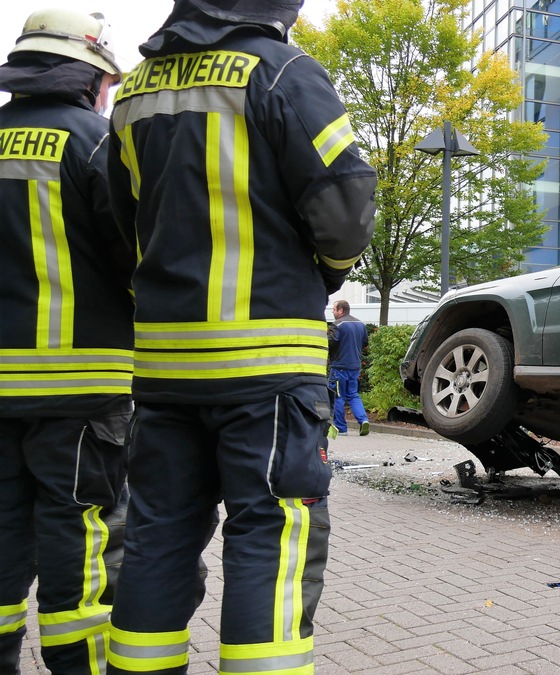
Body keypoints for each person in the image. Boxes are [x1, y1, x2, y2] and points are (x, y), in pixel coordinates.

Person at [103, 0, 376, 672]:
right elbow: (346, 205)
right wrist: (324, 273)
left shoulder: (133, 96)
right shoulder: (283, 73)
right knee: (270, 533)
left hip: (166, 371)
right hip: (269, 367)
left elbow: (118, 224)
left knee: (157, 536)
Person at [0, 8, 132, 674]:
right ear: (89, 79)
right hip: (81, 393)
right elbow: (135, 258)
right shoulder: (94, 142)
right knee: (78, 546)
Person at [328, 299, 370, 436]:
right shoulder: (360, 324)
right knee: (353, 395)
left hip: (339, 366)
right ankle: (363, 420)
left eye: (334, 309)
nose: (333, 312)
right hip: (355, 366)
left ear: (341, 310)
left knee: (337, 396)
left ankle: (341, 428)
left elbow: (331, 342)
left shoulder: (337, 325)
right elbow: (364, 342)